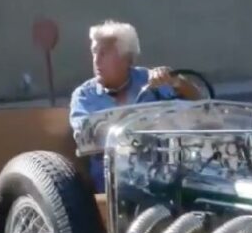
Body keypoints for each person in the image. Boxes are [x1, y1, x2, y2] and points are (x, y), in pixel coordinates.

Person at [69, 20, 201, 192]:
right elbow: (85, 136)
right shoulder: (85, 95)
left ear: (127, 59)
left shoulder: (150, 80)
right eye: (94, 52)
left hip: (162, 172)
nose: (96, 60)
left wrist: (176, 81)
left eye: (104, 53)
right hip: (113, 180)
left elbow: (198, 103)